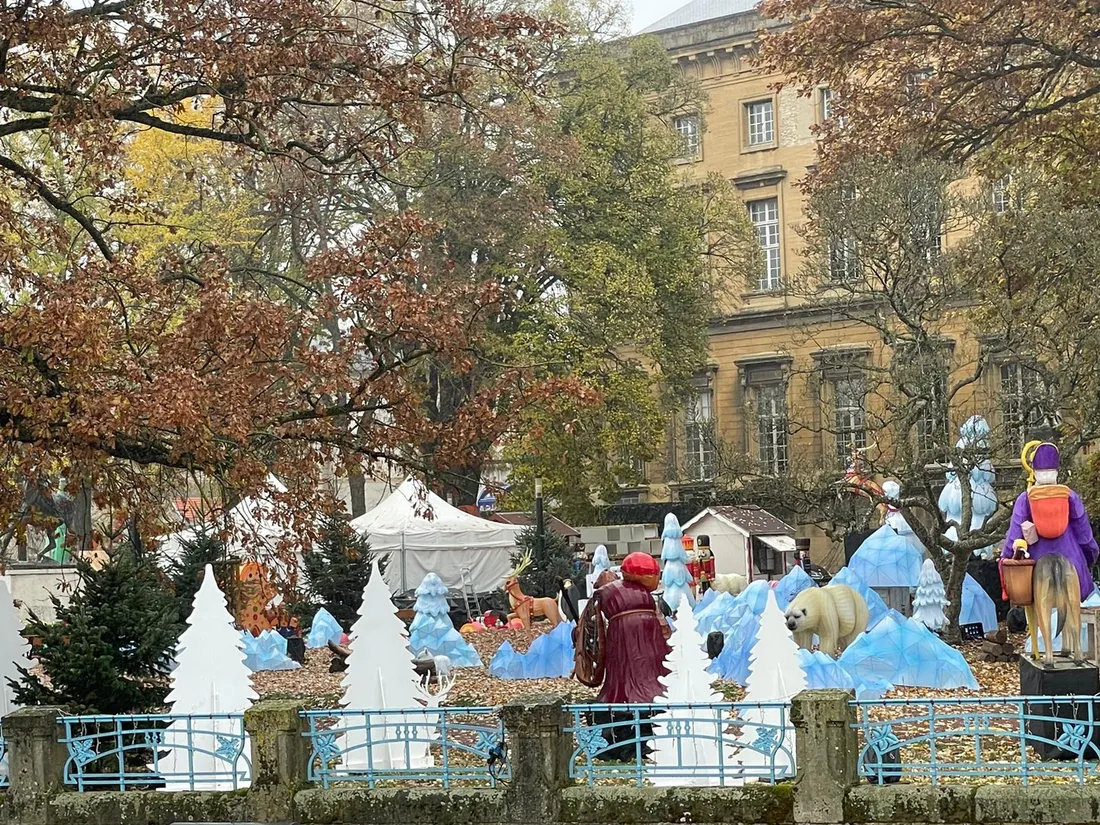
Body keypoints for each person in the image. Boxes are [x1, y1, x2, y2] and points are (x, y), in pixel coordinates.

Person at [575, 552, 671, 759]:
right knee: (635, 672)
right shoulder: (636, 596)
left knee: (634, 672)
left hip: (628, 635)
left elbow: (591, 623)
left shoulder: (614, 594)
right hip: (634, 636)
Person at [1002, 442, 1099, 601]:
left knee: (1030, 600)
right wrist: (1089, 557)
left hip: (1035, 566)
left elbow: (1014, 535)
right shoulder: (1069, 495)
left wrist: (1005, 560)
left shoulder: (1025, 499)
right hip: (1072, 560)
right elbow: (1084, 533)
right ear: (1057, 471)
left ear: (1034, 471)